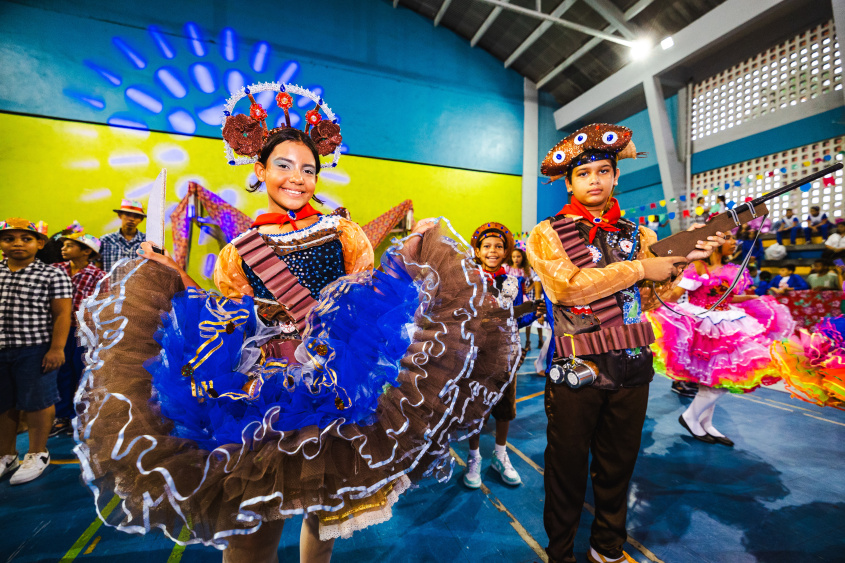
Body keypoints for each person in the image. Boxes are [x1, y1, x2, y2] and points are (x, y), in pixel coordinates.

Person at [73, 83, 518, 562]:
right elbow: (219, 309)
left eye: (308, 169)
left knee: (324, 510)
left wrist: (415, 248)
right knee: (252, 522)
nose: (297, 177)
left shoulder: (343, 233)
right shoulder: (236, 249)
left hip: (332, 381)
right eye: (283, 165)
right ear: (259, 169)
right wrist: (166, 273)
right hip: (253, 391)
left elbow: (369, 293)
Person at [526, 123, 724, 563]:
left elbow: (651, 301)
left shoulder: (642, 236)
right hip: (579, 370)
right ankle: (560, 552)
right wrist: (640, 270)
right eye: (584, 174)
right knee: (566, 467)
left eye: (602, 170)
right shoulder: (547, 233)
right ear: (569, 181)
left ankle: (607, 546)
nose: (594, 180)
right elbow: (568, 288)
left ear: (616, 176)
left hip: (633, 366)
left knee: (618, 466)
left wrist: (679, 269)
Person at [649, 233, 795, 447]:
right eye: (728, 237)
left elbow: (726, 297)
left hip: (728, 320)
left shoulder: (732, 270)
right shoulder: (697, 267)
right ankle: (690, 418)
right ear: (716, 243)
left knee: (716, 379)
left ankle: (706, 424)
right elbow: (673, 295)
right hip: (703, 325)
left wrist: (752, 298)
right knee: (720, 379)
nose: (734, 241)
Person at [462, 223, 538, 489]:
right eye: (486, 246)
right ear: (477, 250)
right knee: (474, 407)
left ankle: (500, 454)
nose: (492, 251)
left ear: (506, 252)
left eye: (498, 246)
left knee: (505, 407)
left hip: (507, 352)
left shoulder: (514, 281)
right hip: (475, 353)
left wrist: (529, 311)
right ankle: (474, 458)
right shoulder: (468, 280)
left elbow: (522, 315)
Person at [0, 218, 72, 484]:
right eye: (9, 239)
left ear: (39, 243)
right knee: (3, 404)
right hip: (2, 349)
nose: (17, 243)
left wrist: (57, 348)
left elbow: (63, 314)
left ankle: (37, 453)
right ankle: (6, 455)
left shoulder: (52, 274)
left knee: (37, 402)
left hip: (35, 348)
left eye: (26, 238)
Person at [49, 233, 105, 436]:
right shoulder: (55, 270)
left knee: (83, 372)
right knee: (61, 372)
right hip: (59, 329)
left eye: (69, 245)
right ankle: (62, 416)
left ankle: (83, 416)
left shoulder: (98, 276)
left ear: (87, 251)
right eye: (63, 245)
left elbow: (101, 304)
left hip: (83, 331)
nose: (63, 248)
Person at [99, 199, 146, 272]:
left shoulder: (146, 242)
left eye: (136, 216)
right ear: (120, 215)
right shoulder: (105, 240)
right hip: (110, 283)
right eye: (127, 215)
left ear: (141, 219)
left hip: (139, 283)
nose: (131, 219)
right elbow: (98, 268)